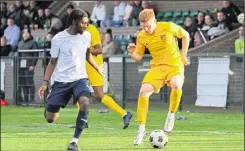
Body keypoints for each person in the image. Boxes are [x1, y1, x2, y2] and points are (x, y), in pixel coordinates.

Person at [38, 10, 103, 151]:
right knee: (51, 118)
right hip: (61, 81)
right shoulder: (58, 39)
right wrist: (45, 82)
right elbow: (52, 62)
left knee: (85, 103)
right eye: (83, 23)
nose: (86, 26)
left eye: (87, 23)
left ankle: (74, 142)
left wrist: (97, 67)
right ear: (74, 22)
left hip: (80, 78)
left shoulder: (87, 35)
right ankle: (49, 108)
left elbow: (87, 55)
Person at [127, 9, 190, 145]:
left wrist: (183, 55)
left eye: (148, 26)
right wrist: (131, 52)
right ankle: (141, 129)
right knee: (143, 91)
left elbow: (185, 35)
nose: (146, 29)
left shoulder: (168, 27)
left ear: (154, 21)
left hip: (174, 64)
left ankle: (171, 115)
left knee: (176, 84)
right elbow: (138, 57)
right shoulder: (141, 36)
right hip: (157, 67)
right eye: (143, 26)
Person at [76, 11, 133, 129]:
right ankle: (82, 121)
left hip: (95, 67)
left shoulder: (92, 30)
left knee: (99, 95)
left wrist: (84, 51)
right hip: (83, 67)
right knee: (77, 92)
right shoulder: (79, 32)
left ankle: (125, 114)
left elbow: (99, 50)